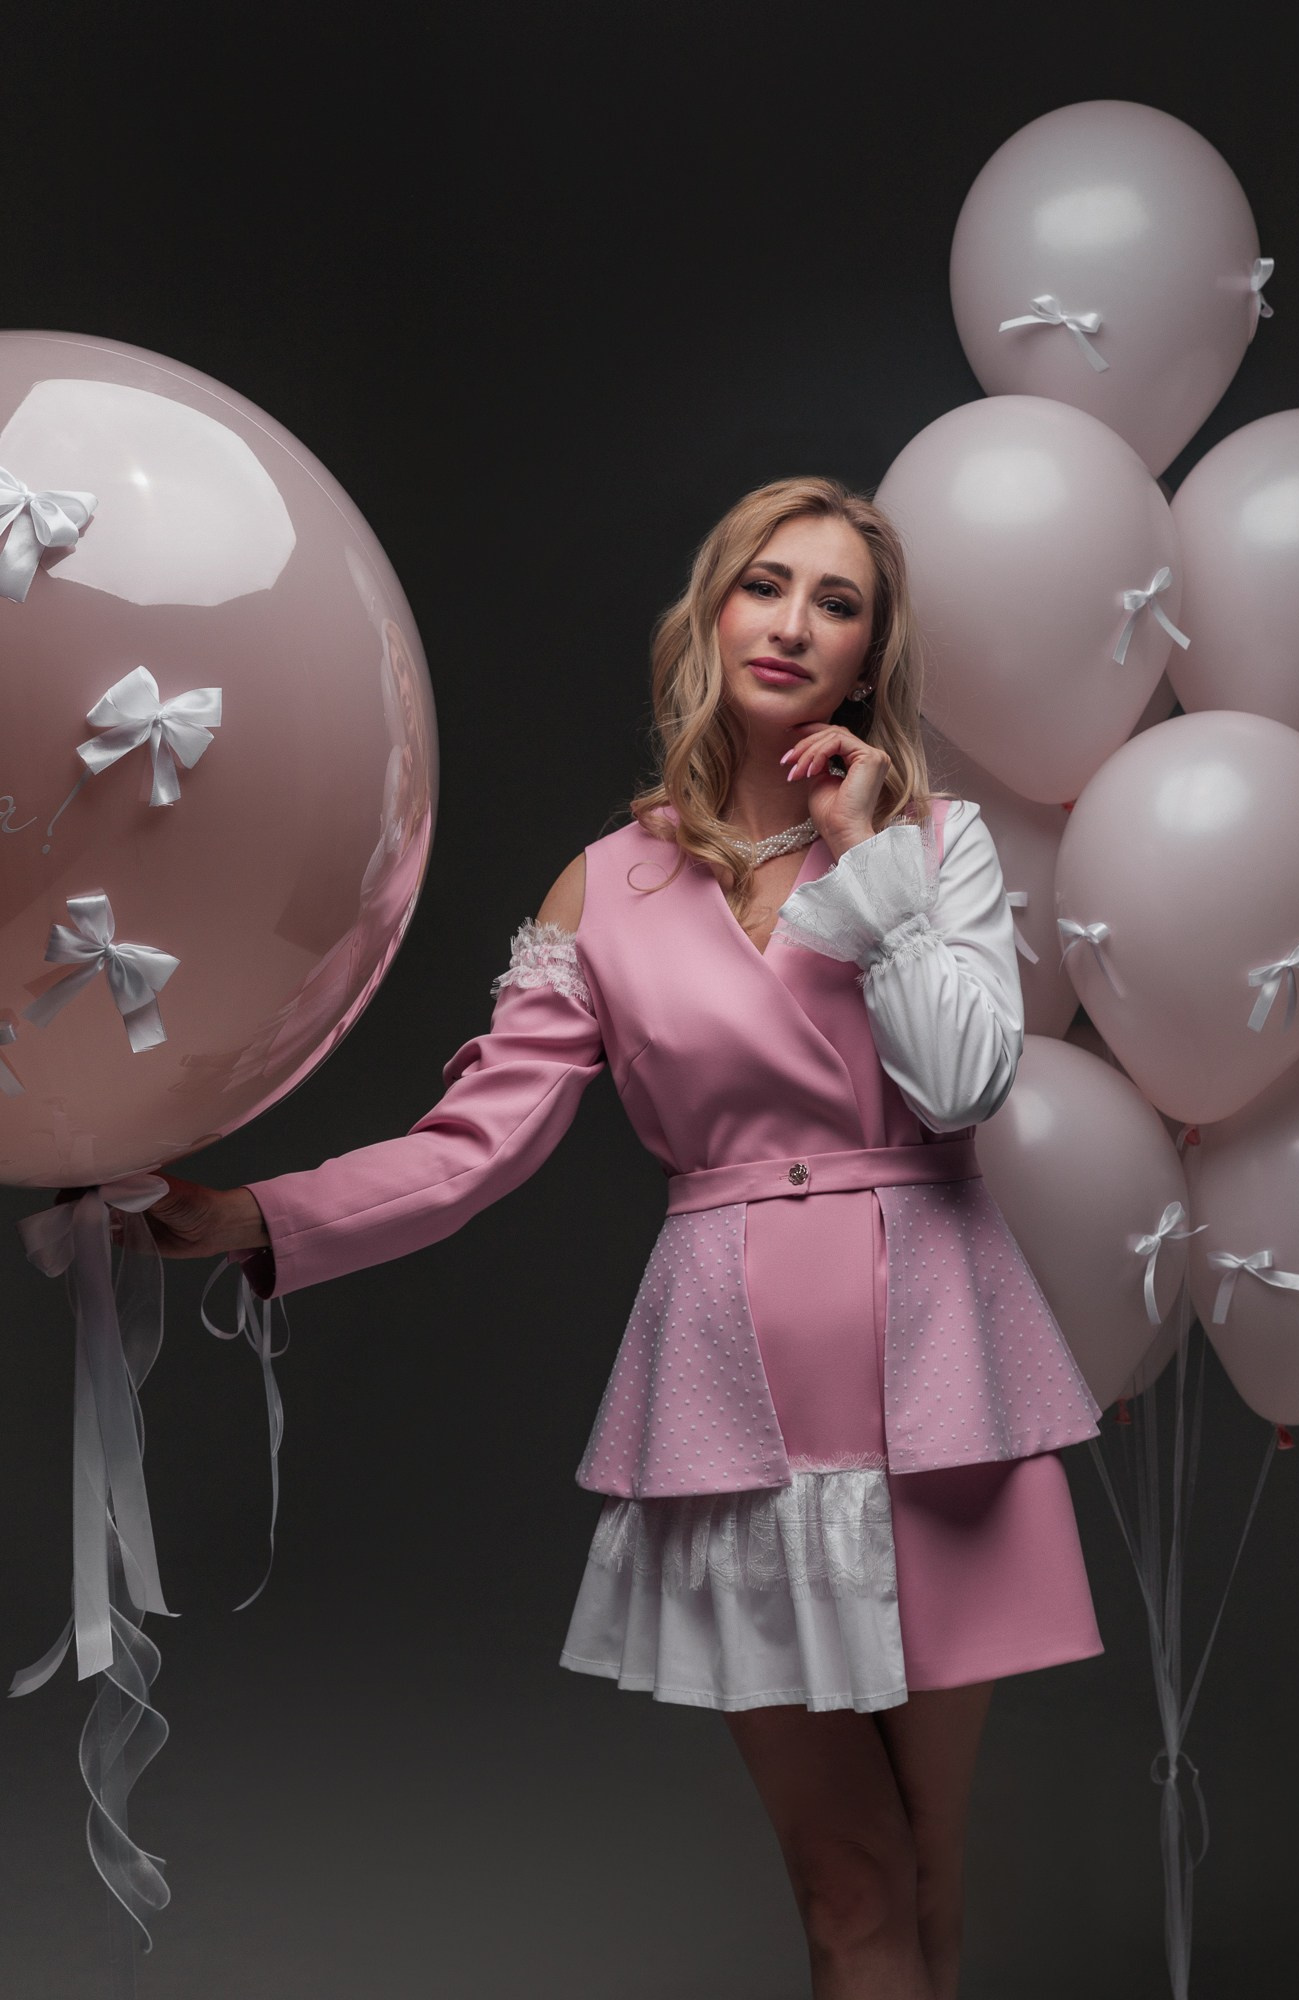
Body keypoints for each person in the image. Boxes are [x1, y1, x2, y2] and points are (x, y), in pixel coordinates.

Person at [132, 476, 1103, 2000]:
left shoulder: (933, 843)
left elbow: (964, 1084)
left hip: (940, 1384)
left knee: (928, 1866)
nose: (794, 623)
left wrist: (871, 865)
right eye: (766, 584)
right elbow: (473, 1147)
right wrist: (256, 1216)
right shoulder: (606, 885)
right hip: (733, 1406)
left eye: (837, 603)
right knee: (848, 1881)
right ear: (709, 615)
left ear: (870, 661)